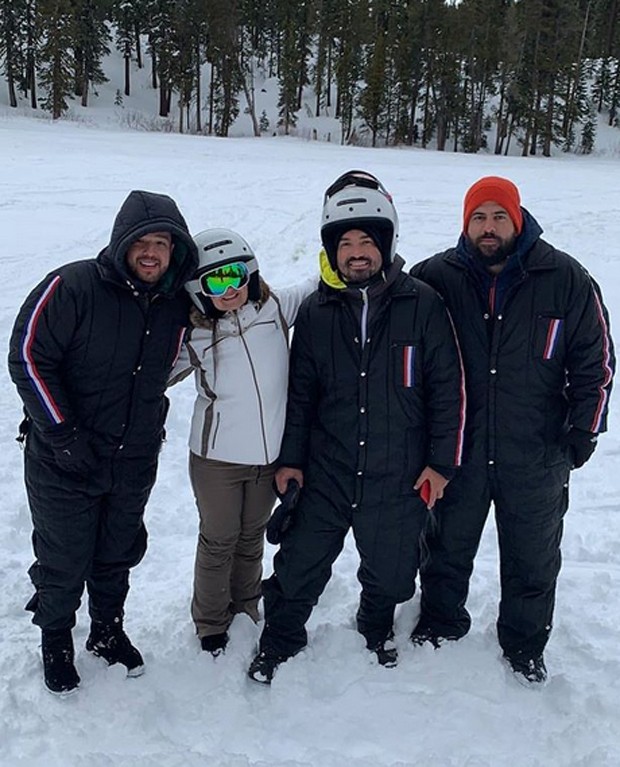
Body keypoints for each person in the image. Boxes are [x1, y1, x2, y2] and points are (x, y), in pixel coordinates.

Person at [247, 170, 466, 684]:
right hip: (327, 470)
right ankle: (280, 638)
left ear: (386, 243)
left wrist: (442, 463)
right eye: (345, 243)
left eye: (367, 241)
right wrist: (291, 462)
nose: (356, 253)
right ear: (332, 251)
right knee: (299, 565)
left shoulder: (423, 305)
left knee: (391, 572)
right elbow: (301, 396)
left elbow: (449, 390)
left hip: (398, 473)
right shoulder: (319, 314)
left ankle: (375, 625)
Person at [409, 176, 615, 685]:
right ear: (465, 223)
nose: (488, 227)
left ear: (517, 219)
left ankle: (524, 644)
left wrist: (583, 430)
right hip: (459, 447)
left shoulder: (565, 277)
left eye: (499, 216)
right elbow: (407, 361)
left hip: (537, 451)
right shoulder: (435, 277)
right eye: (478, 217)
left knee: (533, 555)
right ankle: (440, 622)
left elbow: (597, 362)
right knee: (446, 545)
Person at [8, 190, 199, 695]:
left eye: (163, 243)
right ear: (123, 243)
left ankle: (107, 632)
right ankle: (56, 639)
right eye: (143, 242)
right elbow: (28, 356)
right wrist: (62, 433)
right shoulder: (72, 286)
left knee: (118, 551)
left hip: (133, 458)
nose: (152, 253)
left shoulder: (177, 304)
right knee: (64, 557)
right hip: (63, 458)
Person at [169, 228, 315, 656]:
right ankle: (211, 622)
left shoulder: (275, 308)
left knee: (251, 536)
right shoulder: (195, 336)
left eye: (234, 275)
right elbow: (150, 374)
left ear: (250, 271)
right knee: (219, 539)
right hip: (217, 460)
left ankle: (246, 605)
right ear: (199, 289)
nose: (229, 289)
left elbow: (317, 284)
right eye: (215, 281)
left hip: (269, 458)